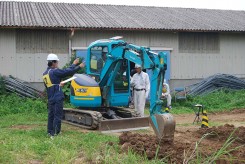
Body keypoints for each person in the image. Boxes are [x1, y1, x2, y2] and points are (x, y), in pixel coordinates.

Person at [43, 53, 85, 138]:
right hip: (57, 96)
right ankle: (55, 133)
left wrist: (58, 84)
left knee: (51, 115)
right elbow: (67, 72)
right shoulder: (55, 71)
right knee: (57, 115)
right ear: (54, 62)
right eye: (57, 62)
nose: (58, 64)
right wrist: (78, 66)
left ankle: (49, 131)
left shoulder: (45, 73)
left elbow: (50, 85)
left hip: (51, 96)